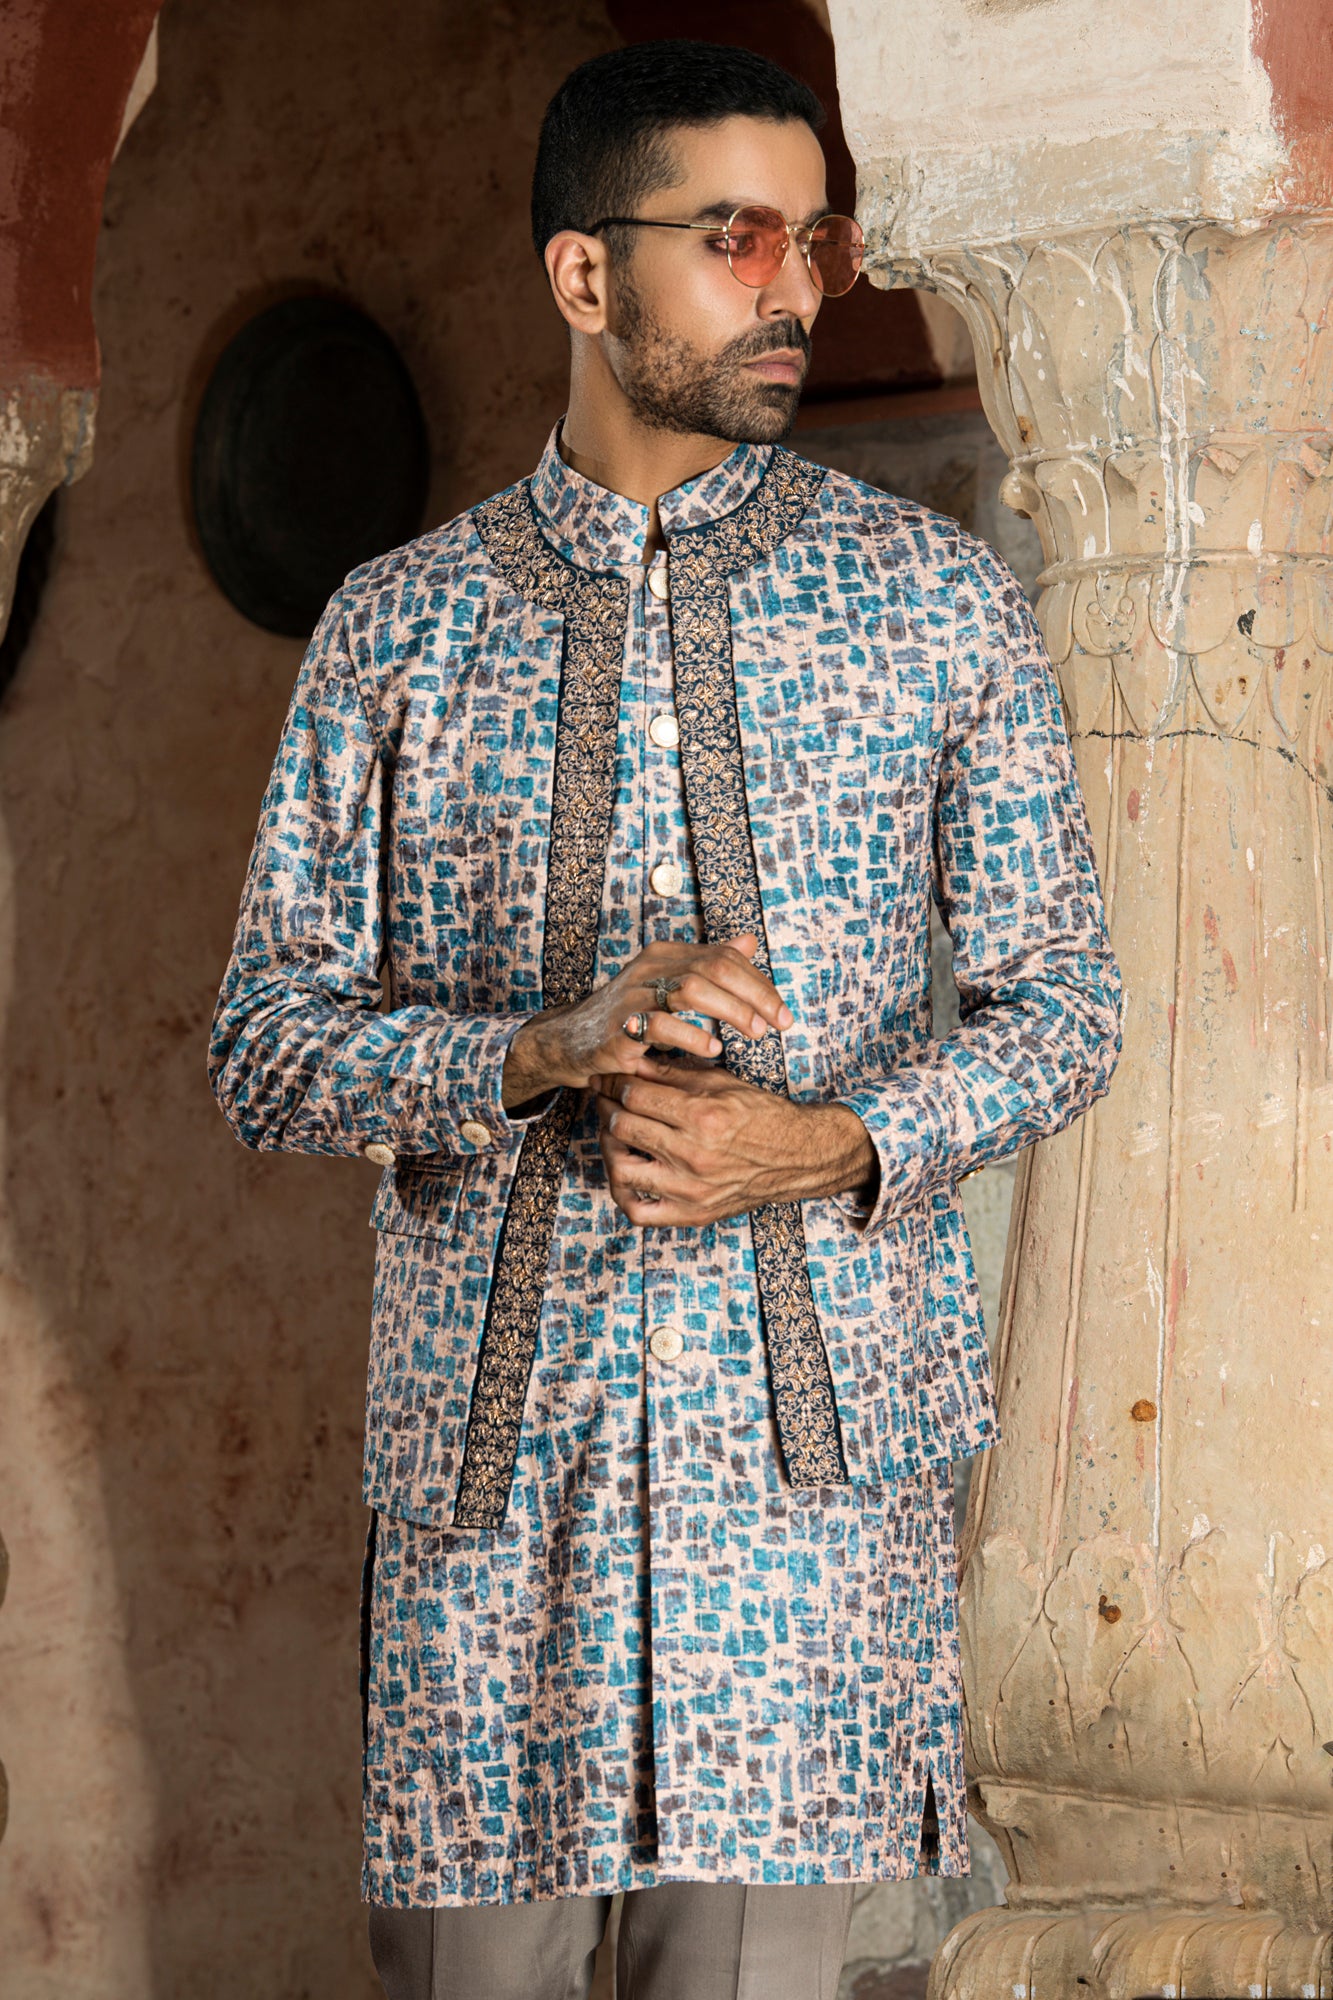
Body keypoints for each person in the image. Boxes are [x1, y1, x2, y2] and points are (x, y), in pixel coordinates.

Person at [209, 37, 1121, 2000]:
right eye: (736, 238)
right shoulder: (399, 628)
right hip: (490, 1496)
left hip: (807, 1508)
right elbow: (264, 1048)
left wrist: (829, 1142)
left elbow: (1065, 1005)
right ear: (583, 274)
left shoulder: (935, 606)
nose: (796, 288)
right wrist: (533, 1048)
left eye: (817, 241)